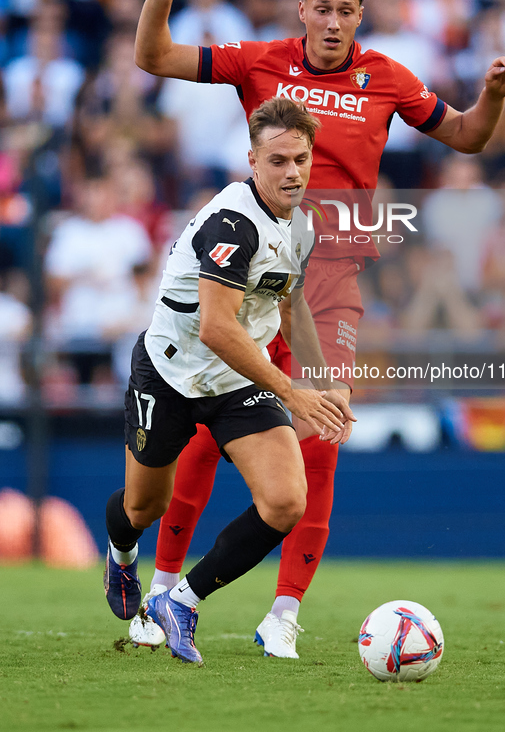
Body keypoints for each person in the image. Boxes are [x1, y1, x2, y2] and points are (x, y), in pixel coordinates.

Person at [132, 0, 505, 658]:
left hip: (334, 282)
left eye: (346, 9)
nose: (334, 22)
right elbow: (152, 58)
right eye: (322, 8)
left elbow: (468, 137)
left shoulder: (389, 79)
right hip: (252, 281)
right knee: (199, 436)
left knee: (322, 435)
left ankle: (281, 613)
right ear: (302, 11)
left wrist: (492, 98)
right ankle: (159, 590)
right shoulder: (259, 61)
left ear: (359, 15)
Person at [103, 96, 354, 663]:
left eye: (301, 159)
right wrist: (292, 392)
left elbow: (290, 309)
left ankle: (181, 602)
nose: (292, 171)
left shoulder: (301, 228)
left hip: (238, 381)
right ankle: (121, 554)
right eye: (279, 160)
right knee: (146, 508)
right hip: (171, 371)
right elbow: (217, 329)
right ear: (252, 160)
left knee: (287, 500)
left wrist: (328, 382)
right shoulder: (232, 223)